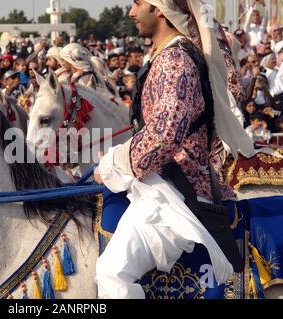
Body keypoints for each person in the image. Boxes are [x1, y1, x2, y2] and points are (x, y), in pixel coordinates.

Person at [93, 0, 254, 299]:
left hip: (177, 192)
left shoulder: (174, 61)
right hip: (165, 182)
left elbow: (165, 134)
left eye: (138, 3)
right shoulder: (167, 56)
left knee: (111, 273)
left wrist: (112, 165)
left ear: (159, 9)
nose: (131, 13)